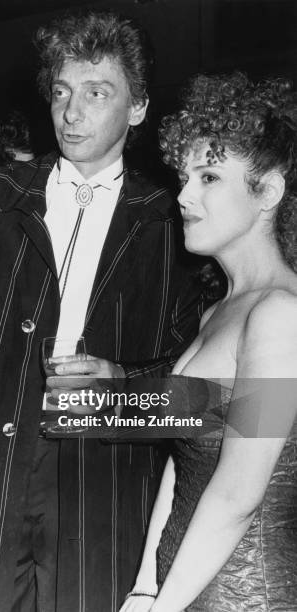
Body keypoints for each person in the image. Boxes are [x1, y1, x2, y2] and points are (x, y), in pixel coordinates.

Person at [0, 12, 203, 611]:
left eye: (97, 93)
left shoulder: (177, 229)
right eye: (61, 92)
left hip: (98, 495)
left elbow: (212, 402)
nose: (72, 113)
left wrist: (124, 387)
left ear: (138, 108)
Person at [120, 72, 297, 611]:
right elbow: (184, 458)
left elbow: (239, 495)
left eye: (209, 176)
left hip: (244, 599)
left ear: (268, 190)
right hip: (181, 587)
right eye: (183, 174)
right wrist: (144, 587)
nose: (183, 194)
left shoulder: (281, 315)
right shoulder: (218, 311)